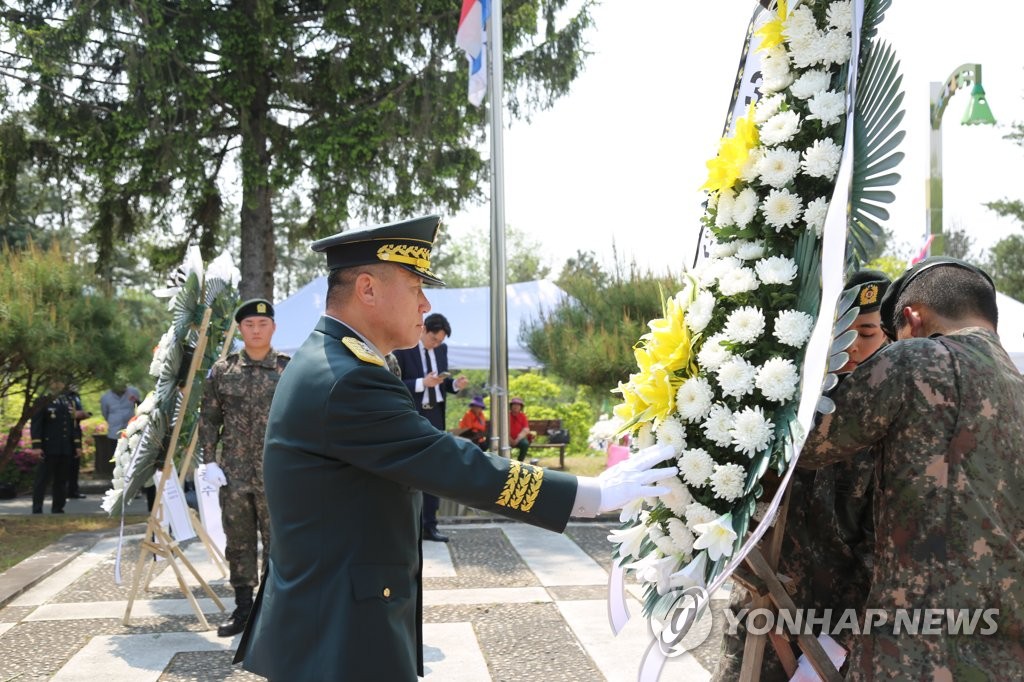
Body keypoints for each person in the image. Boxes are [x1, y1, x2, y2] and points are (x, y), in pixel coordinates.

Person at [233, 214, 679, 681]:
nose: (425, 303)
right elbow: (451, 463)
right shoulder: (346, 377)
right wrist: (592, 495)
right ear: (367, 289)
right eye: (414, 287)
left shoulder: (334, 360)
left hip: (331, 616)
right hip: (337, 634)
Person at [798, 257, 1024, 680]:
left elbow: (806, 444)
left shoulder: (914, 360)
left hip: (916, 656)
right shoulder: (1017, 387)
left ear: (911, 318)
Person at [712, 269, 892, 682]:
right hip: (759, 612)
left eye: (867, 333)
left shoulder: (887, 423)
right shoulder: (785, 405)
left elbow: (882, 547)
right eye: (842, 331)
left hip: (835, 629)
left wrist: (832, 645)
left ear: (889, 337)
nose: (852, 347)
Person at [198, 298, 290, 638]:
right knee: (239, 542)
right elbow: (208, 419)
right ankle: (243, 609)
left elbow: (300, 419)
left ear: (273, 328)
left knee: (277, 542)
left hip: (276, 473)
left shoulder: (287, 369)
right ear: (240, 329)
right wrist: (209, 460)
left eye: (262, 324)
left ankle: (274, 609)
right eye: (249, 324)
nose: (256, 330)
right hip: (233, 474)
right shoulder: (223, 371)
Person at [393, 312, 470, 542]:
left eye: (440, 342)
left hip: (436, 414)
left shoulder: (441, 350)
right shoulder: (403, 348)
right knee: (412, 472)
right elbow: (395, 384)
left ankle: (430, 524)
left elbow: (442, 382)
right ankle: (410, 526)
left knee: (435, 470)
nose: (436, 345)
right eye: (434, 340)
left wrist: (454, 384)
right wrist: (421, 383)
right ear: (424, 329)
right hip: (414, 414)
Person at [29, 384, 81, 514]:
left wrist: (77, 445)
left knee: (62, 479)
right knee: (42, 479)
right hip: (49, 447)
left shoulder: (68, 400)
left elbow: (73, 425)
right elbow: (36, 424)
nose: (58, 384)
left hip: (65, 447)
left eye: (61, 381)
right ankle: (37, 508)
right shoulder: (42, 400)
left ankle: (58, 508)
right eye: (54, 381)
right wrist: (36, 446)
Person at [508, 396, 536, 463]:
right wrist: (510, 439)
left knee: (525, 444)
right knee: (503, 445)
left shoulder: (523, 416)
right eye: (514, 404)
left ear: (521, 407)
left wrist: (517, 440)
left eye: (518, 405)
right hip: (507, 438)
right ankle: (507, 463)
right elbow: (502, 429)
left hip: (519, 439)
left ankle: (520, 463)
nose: (516, 406)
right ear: (511, 406)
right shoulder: (506, 415)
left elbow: (526, 429)